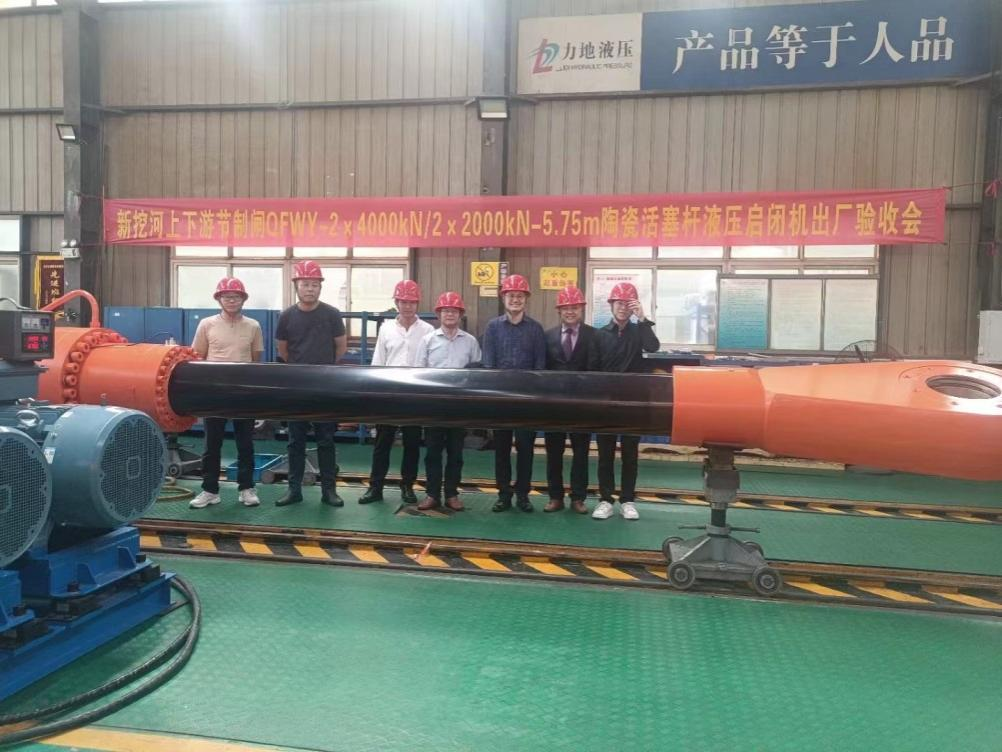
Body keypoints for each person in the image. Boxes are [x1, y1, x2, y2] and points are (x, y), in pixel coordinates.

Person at [274, 259, 347, 508]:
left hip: (324, 386)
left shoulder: (332, 314)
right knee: (295, 441)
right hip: (296, 387)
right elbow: (283, 351)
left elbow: (340, 347)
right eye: (305, 284)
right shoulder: (287, 316)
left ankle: (329, 491)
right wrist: (302, 372)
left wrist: (321, 371)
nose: (310, 289)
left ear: (320, 287)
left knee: (326, 439)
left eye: (314, 284)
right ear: (297, 285)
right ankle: (293, 490)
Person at [189, 277, 264, 510]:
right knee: (212, 445)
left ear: (243, 299)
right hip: (214, 393)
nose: (231, 300)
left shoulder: (253, 326)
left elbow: (255, 359)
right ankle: (210, 490)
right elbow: (197, 357)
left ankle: (246, 488)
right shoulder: (206, 324)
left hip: (243, 393)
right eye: (227, 296)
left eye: (236, 296)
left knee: (245, 443)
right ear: (219, 299)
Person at [359, 280, 433, 506]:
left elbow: (430, 365)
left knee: (412, 444)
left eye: (412, 302)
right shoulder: (386, 329)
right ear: (397, 303)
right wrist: (376, 394)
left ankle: (408, 486)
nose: (407, 306)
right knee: (382, 443)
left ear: (417, 303)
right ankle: (375, 487)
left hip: (415, 395)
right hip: (388, 394)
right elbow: (377, 362)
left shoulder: (428, 331)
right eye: (403, 302)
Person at [593, 282, 660, 521]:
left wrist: (643, 319)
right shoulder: (600, 334)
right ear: (611, 305)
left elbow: (653, 346)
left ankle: (628, 500)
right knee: (605, 454)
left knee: (630, 454)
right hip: (607, 404)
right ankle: (605, 500)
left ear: (633, 307)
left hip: (633, 404)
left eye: (627, 304)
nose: (622, 307)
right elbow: (593, 368)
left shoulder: (639, 331)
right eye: (618, 303)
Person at [482, 274, 547, 513]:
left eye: (520, 296)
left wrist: (532, 398)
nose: (515, 300)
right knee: (500, 450)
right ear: (503, 298)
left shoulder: (536, 329)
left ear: (526, 299)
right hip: (500, 402)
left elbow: (540, 368)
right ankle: (503, 495)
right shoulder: (492, 327)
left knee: (525, 450)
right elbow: (488, 365)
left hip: (526, 403)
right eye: (511, 296)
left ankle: (523, 495)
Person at [415, 292, 481, 512]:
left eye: (454, 311)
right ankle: (432, 494)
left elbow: (477, 374)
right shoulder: (427, 341)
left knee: (456, 453)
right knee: (432, 453)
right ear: (439, 314)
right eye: (446, 311)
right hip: (434, 406)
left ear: (460, 314)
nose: (450, 314)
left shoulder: (470, 342)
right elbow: (418, 373)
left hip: (459, 407)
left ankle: (452, 494)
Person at [543, 285, 601, 514]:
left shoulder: (593, 335)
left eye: (574, 307)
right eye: (565, 307)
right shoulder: (548, 336)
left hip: (581, 406)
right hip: (554, 406)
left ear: (581, 309)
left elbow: (595, 370)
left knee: (581, 454)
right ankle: (555, 496)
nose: (570, 311)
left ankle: (578, 498)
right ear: (559, 310)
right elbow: (543, 370)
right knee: (553, 453)